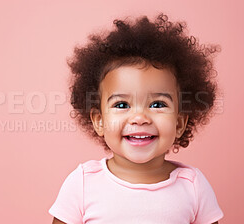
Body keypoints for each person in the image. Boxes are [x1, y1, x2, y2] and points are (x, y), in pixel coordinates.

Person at [49, 13, 224, 224]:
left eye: (157, 104)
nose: (139, 118)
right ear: (99, 121)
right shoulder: (83, 184)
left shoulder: (193, 186)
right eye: (122, 105)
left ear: (179, 123)